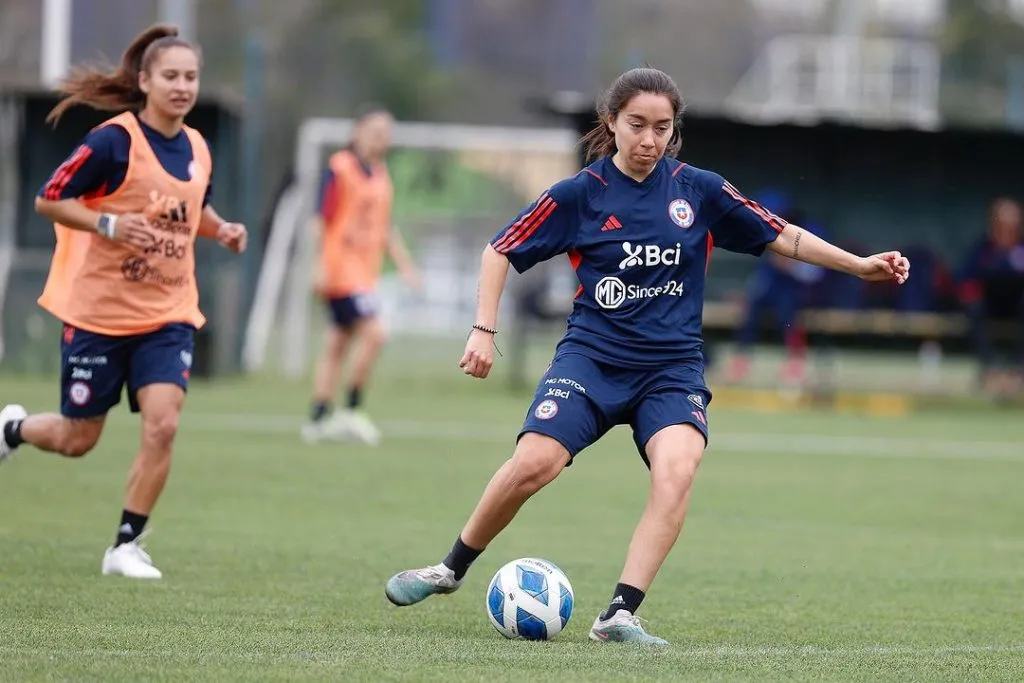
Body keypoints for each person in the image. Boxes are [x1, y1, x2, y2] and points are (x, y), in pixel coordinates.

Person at [383, 67, 910, 644]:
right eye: (637, 125)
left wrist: (860, 265)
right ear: (611, 122)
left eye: (662, 128)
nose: (649, 140)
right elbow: (499, 250)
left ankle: (619, 615)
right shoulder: (579, 195)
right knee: (536, 463)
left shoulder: (698, 190)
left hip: (671, 369)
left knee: (678, 470)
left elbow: (781, 234)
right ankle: (450, 569)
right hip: (591, 360)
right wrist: (482, 330)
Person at [0, 24, 248, 579]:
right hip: (99, 314)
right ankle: (12, 429)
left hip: (168, 314)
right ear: (145, 81)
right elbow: (50, 200)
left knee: (163, 425)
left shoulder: (199, 148)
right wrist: (109, 222)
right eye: (171, 76)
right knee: (77, 437)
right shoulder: (114, 141)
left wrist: (222, 229)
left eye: (191, 77)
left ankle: (126, 545)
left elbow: (191, 212)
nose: (183, 86)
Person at [301, 107, 421, 446]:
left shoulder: (381, 176)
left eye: (387, 132)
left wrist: (405, 265)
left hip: (363, 275)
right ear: (357, 133)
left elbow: (384, 229)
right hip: (341, 270)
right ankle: (350, 410)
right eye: (375, 131)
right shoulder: (340, 168)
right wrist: (317, 266)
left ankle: (319, 416)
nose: (382, 138)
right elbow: (319, 221)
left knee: (337, 343)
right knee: (376, 334)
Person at [726, 203, 825, 387]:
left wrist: (792, 266)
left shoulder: (812, 239)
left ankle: (795, 364)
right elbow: (761, 280)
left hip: (799, 291)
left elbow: (815, 274)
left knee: (788, 312)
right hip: (773, 289)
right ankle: (741, 361)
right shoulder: (776, 239)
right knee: (751, 309)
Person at [957, 197, 1024, 398]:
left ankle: (1016, 369)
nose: (1007, 228)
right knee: (973, 307)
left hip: (1018, 306)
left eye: (1012, 224)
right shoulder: (983, 248)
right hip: (989, 306)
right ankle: (989, 369)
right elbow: (964, 278)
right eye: (1002, 224)